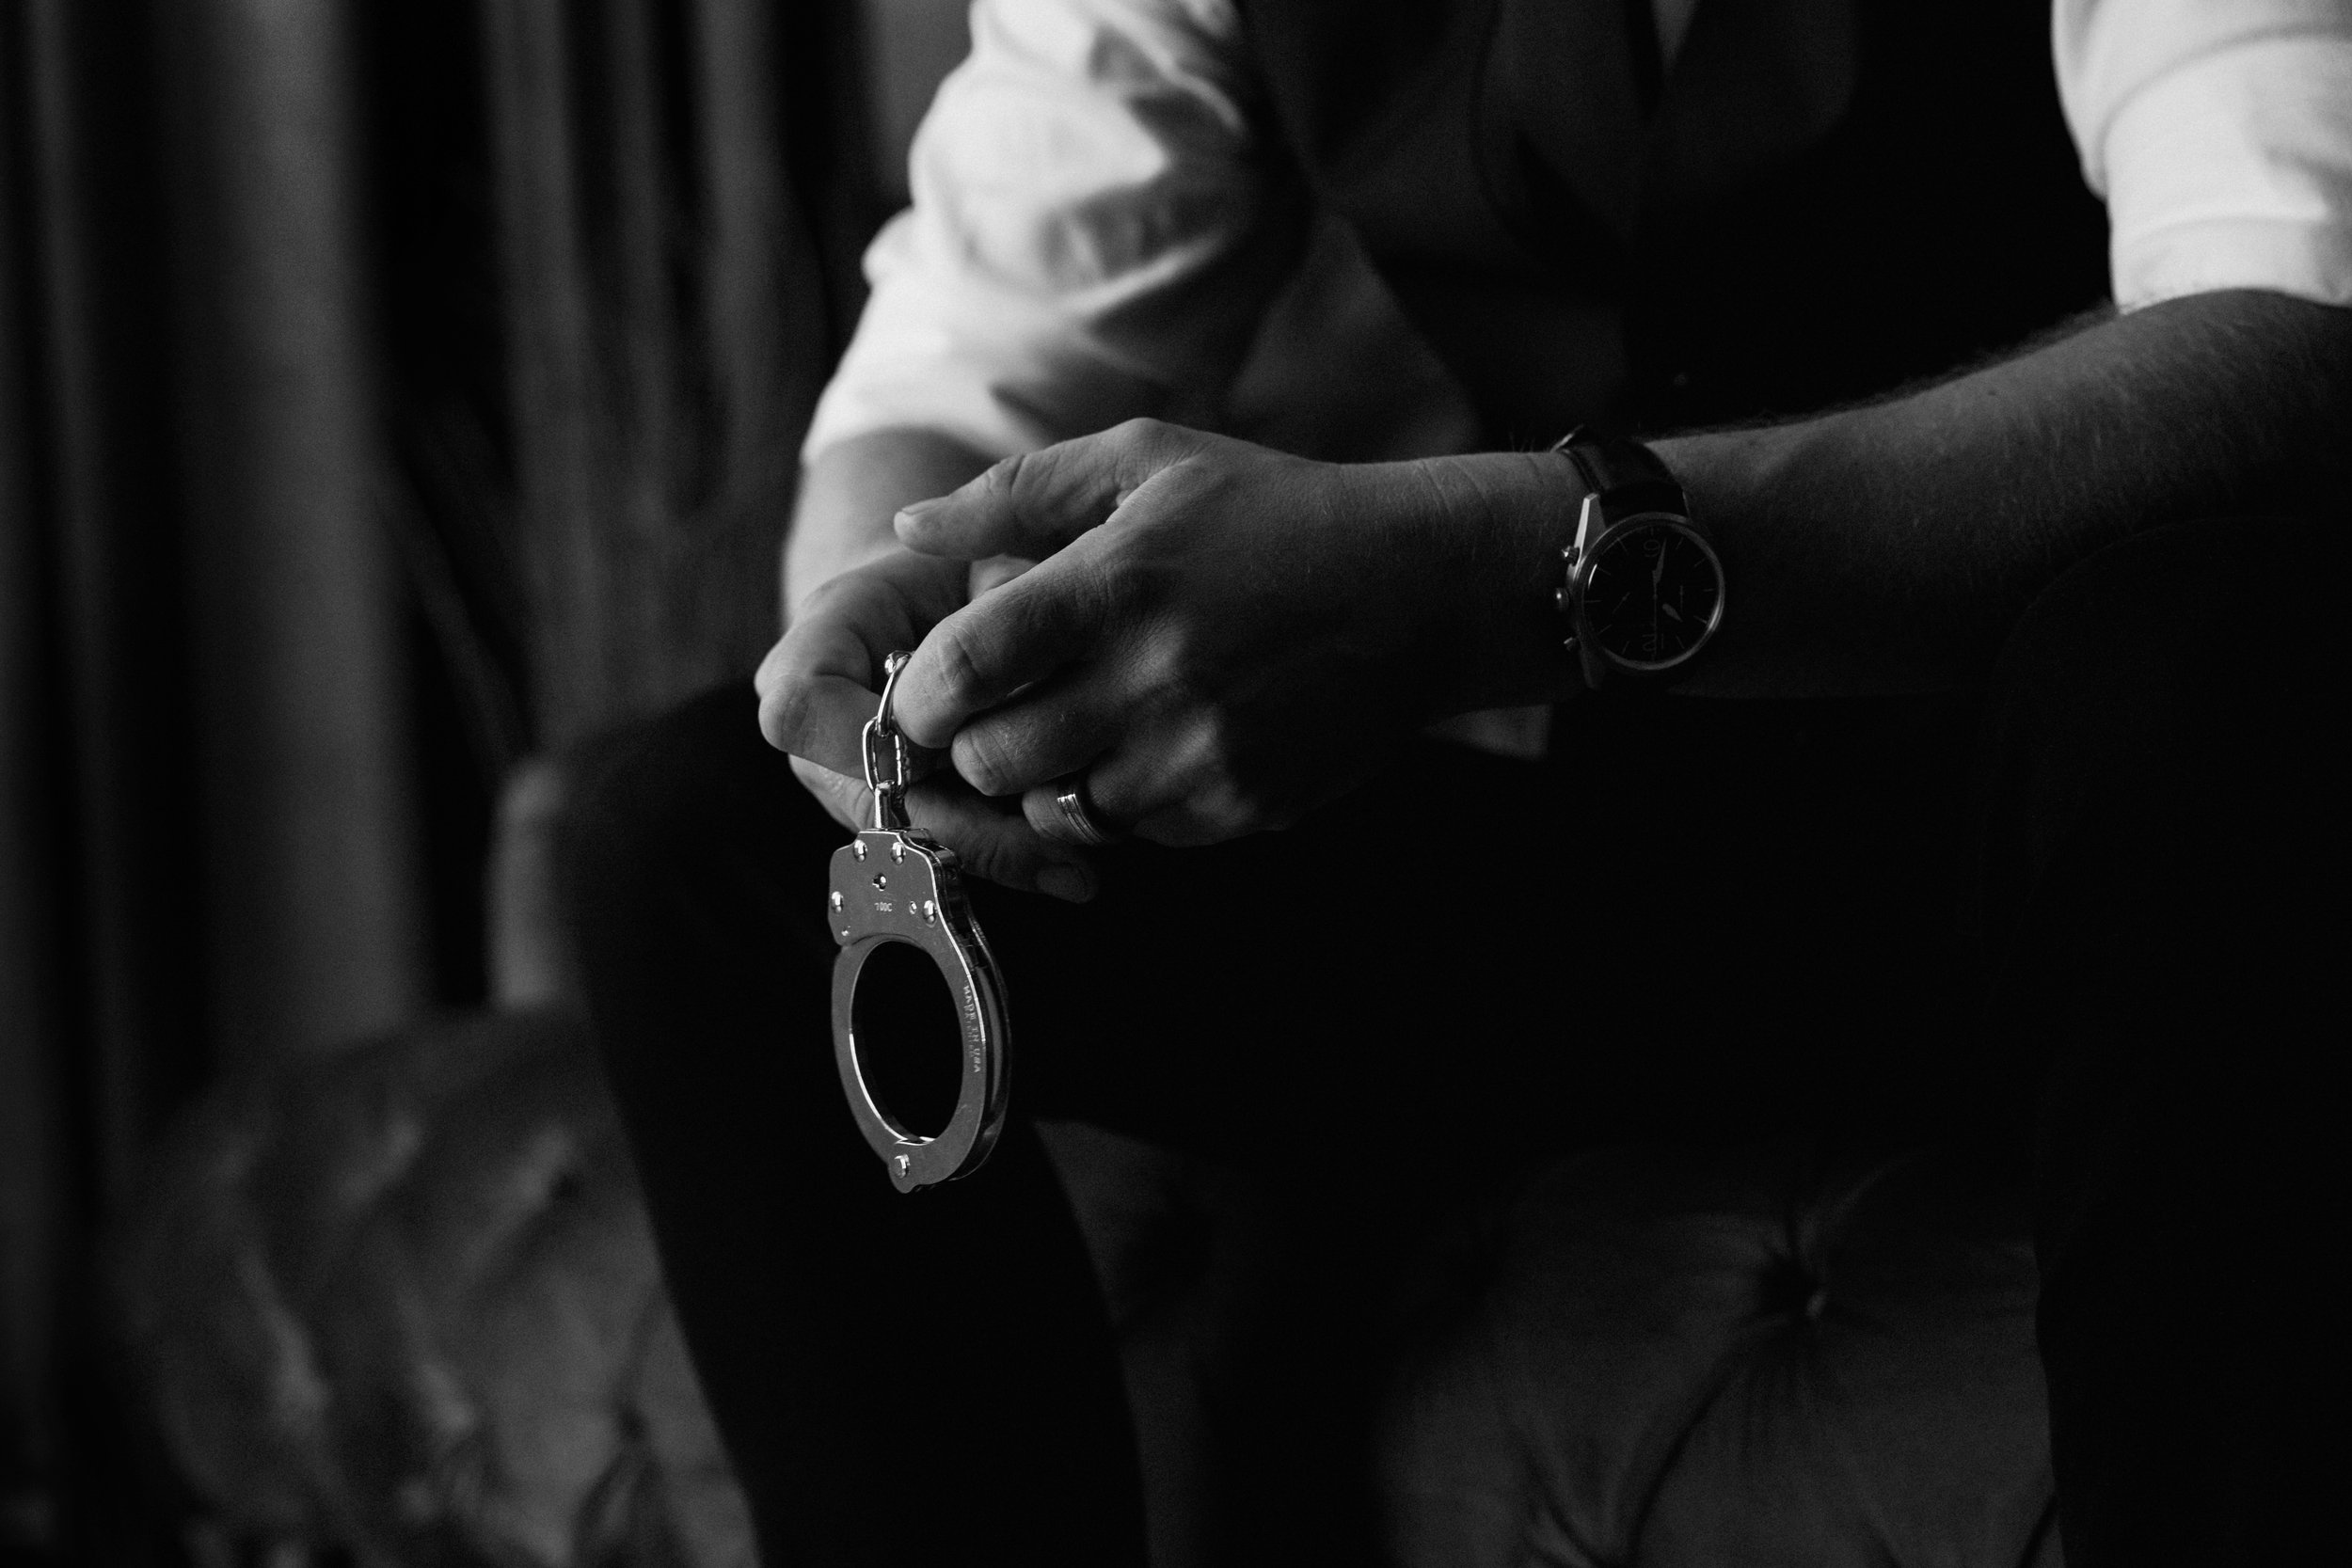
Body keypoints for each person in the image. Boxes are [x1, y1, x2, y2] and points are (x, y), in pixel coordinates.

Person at [558, 1, 2352, 1563]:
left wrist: (1481, 580)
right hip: (1642, 890)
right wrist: (902, 664)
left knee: (2191, 661)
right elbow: (960, 373)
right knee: (704, 836)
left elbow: (2292, 334)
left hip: (2112, 865)